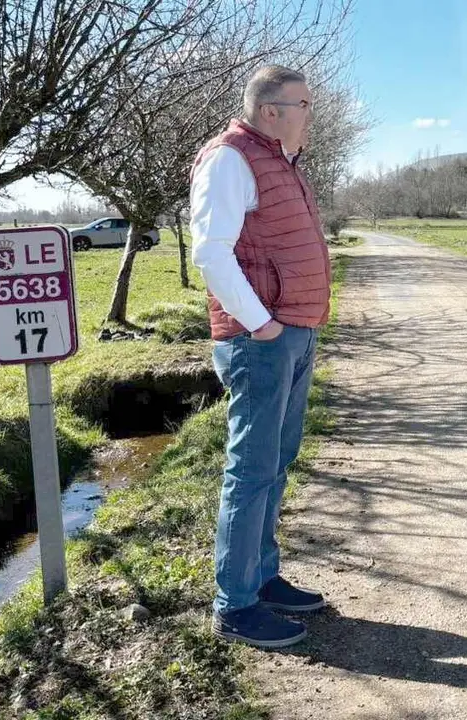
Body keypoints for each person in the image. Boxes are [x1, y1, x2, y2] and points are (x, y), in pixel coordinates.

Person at [189, 65, 331, 648]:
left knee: (276, 461)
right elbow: (210, 252)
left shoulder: (280, 161)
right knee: (251, 470)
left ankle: (262, 576)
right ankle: (235, 604)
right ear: (271, 110)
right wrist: (262, 324)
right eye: (304, 104)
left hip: (292, 332)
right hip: (262, 339)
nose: (311, 114)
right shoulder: (230, 158)